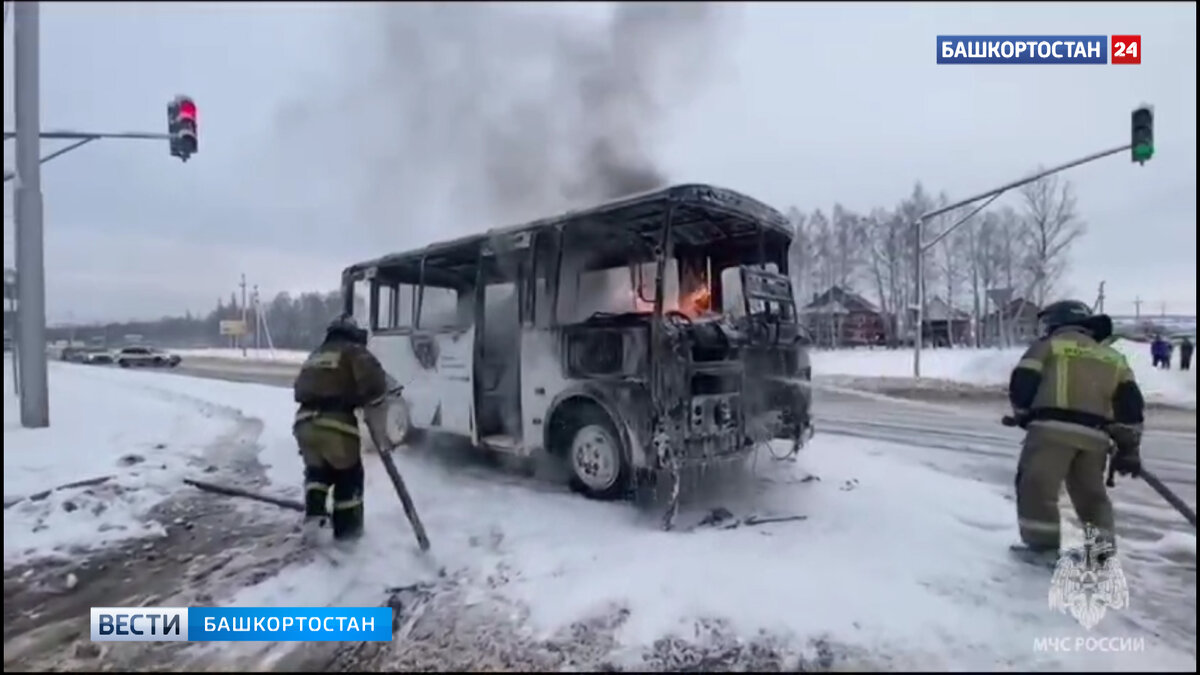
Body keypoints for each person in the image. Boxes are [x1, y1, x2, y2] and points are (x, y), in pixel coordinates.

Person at [1006, 300, 1145, 563]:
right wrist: (1129, 447)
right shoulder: (1113, 357)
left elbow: (1023, 382)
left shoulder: (1048, 346)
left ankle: (1042, 549)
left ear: (1058, 321)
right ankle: (1101, 551)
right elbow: (1130, 405)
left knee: (1037, 487)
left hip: (1051, 431)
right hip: (1095, 438)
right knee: (1091, 495)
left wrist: (1022, 413)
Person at [292, 315, 388, 544]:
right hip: (335, 425)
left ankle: (314, 521)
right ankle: (349, 535)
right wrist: (369, 399)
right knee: (349, 475)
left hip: (304, 424)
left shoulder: (316, 354)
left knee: (318, 472)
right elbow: (376, 382)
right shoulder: (353, 350)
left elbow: (299, 388)